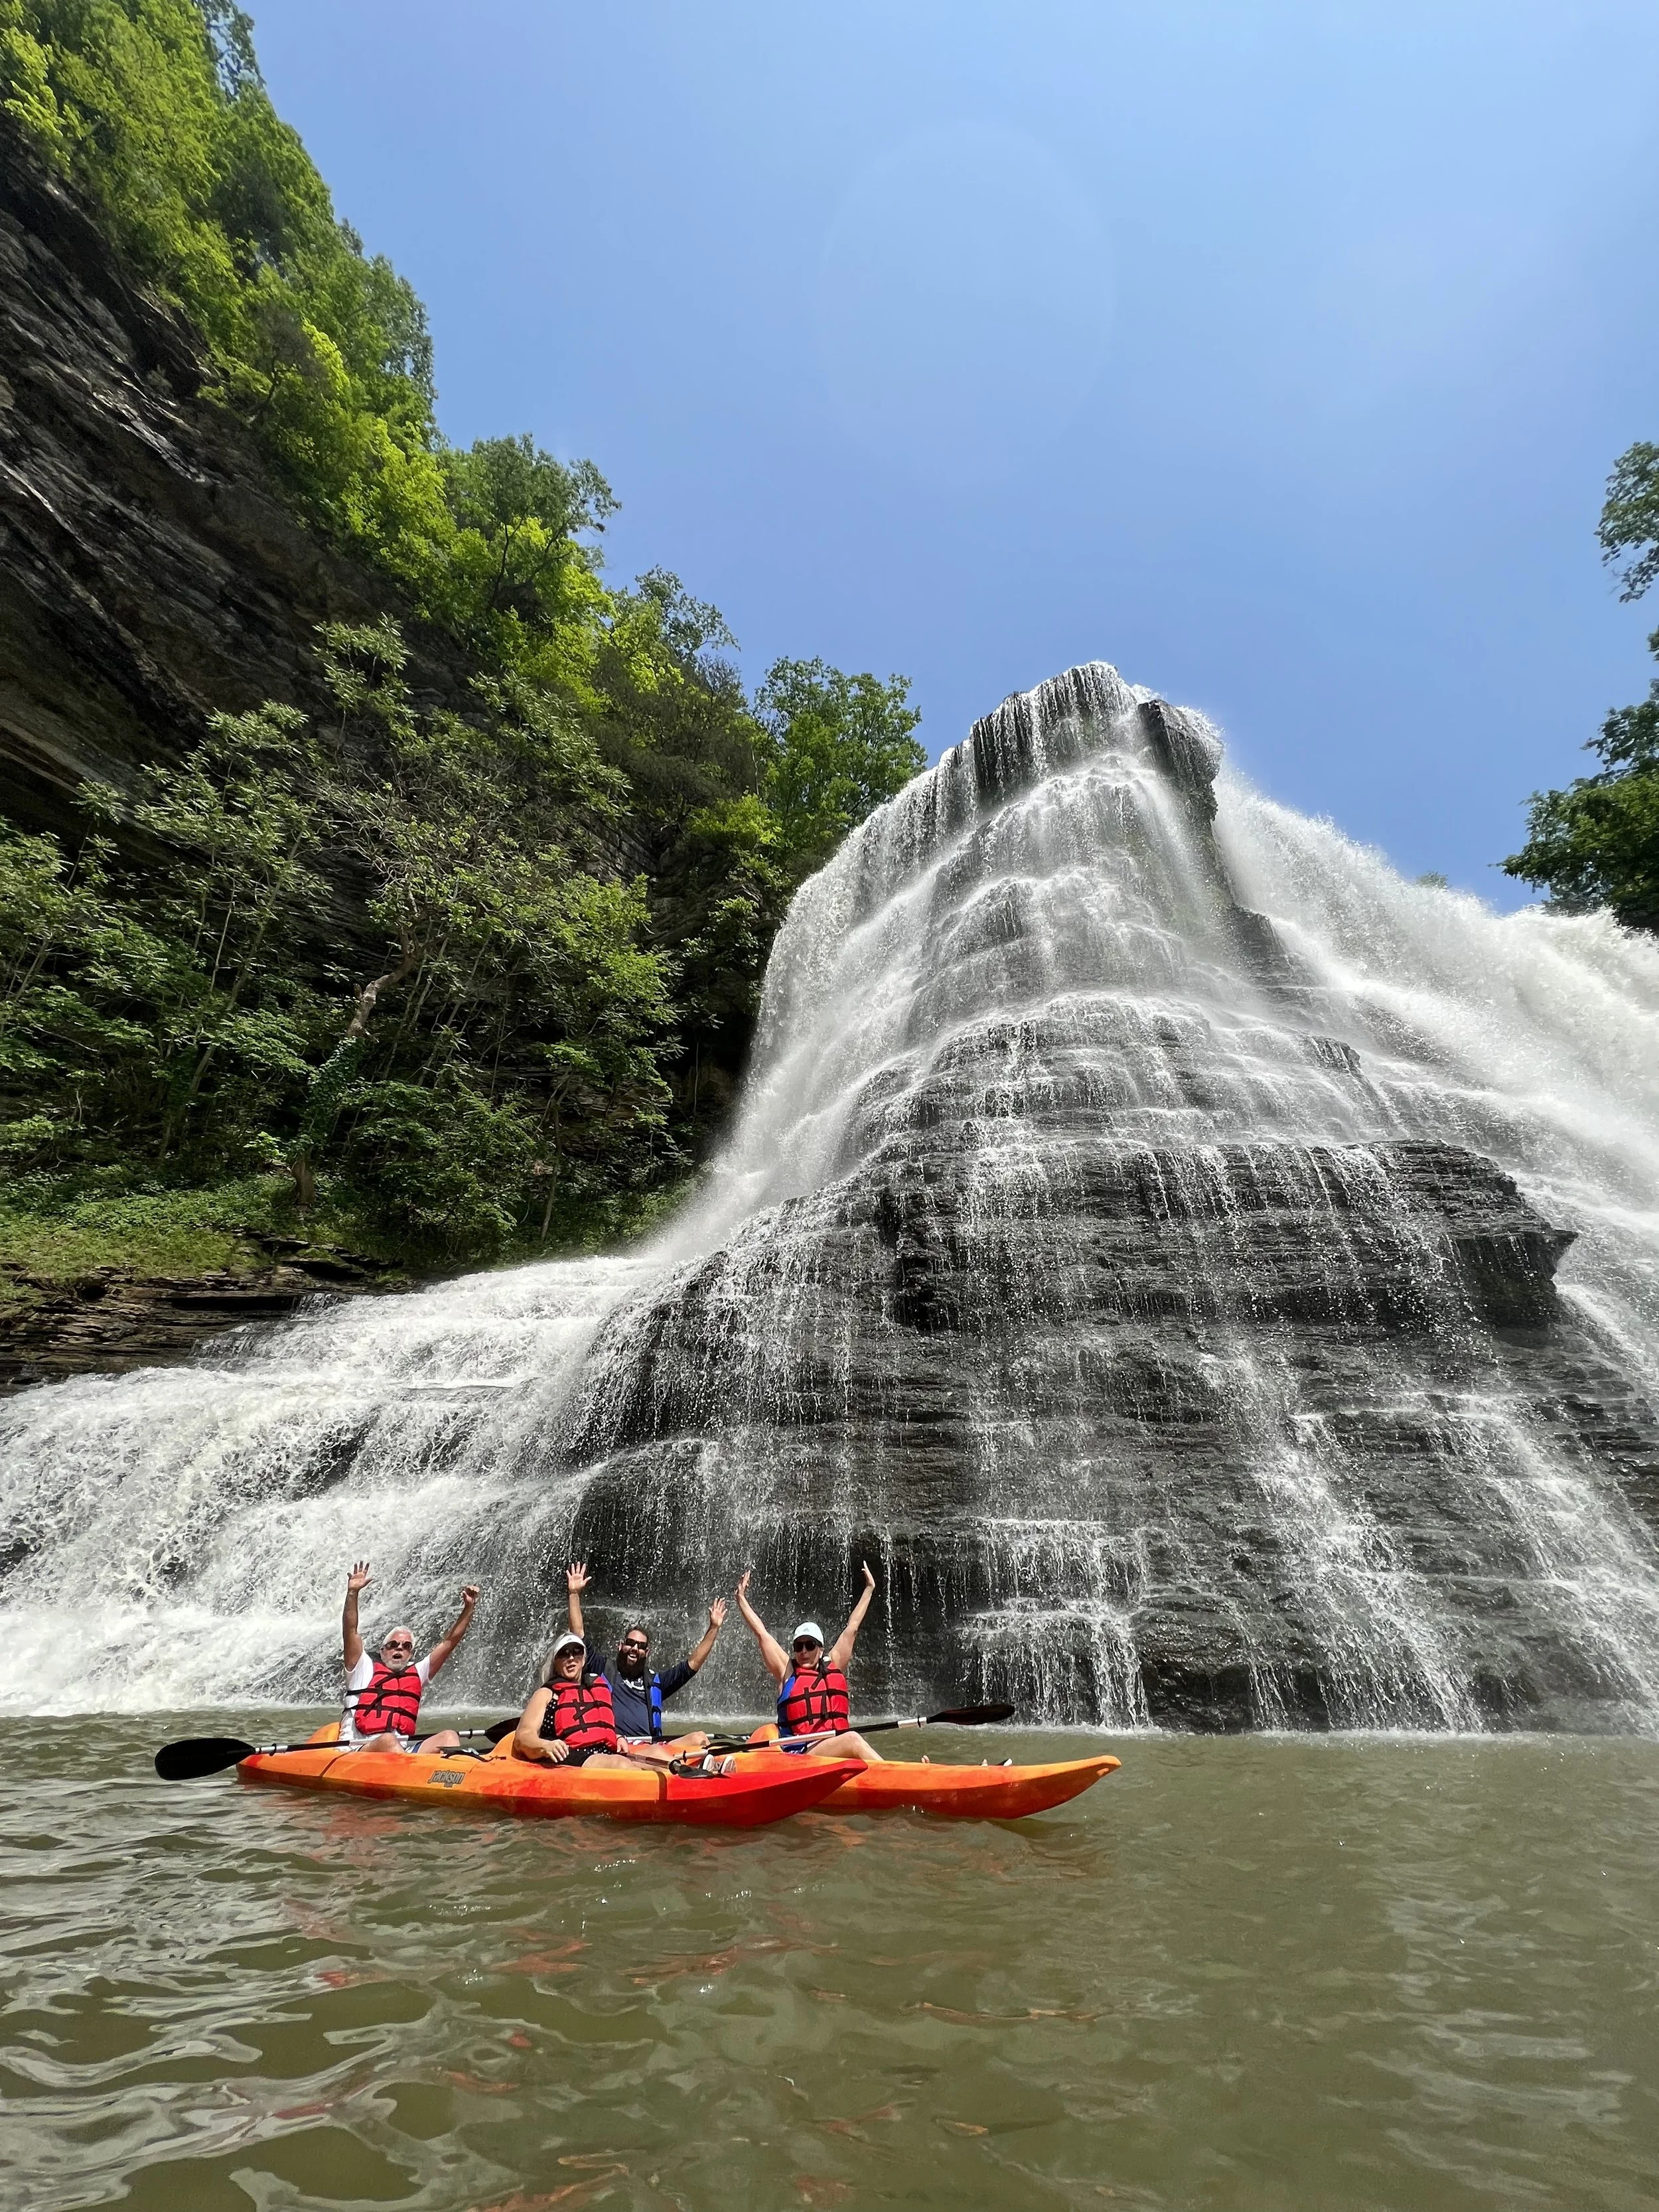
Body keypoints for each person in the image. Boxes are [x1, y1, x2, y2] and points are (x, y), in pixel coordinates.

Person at [512, 1633, 735, 1774]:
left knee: (657, 1752)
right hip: (571, 1755)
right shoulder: (547, 1692)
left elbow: (600, 1724)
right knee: (622, 1766)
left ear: (583, 1659)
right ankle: (690, 1780)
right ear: (556, 1660)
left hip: (605, 1750)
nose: (571, 1658)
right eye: (564, 1654)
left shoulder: (596, 1686)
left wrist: (616, 1737)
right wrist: (546, 1745)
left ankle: (701, 1773)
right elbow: (523, 1736)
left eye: (577, 1652)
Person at [563, 1560, 727, 1751]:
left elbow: (692, 1665)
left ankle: (713, 1774)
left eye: (640, 1646)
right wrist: (574, 1594)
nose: (634, 1649)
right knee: (658, 1752)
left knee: (700, 1738)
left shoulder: (655, 1682)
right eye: (630, 1643)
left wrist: (714, 1628)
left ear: (647, 1652)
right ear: (620, 1646)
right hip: (618, 1747)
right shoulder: (602, 1669)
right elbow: (579, 1635)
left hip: (651, 1745)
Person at [733, 1561, 885, 1762]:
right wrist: (741, 1599)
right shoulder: (787, 1671)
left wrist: (869, 1589)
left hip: (835, 1752)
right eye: (799, 1646)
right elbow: (762, 1634)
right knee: (854, 1741)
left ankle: (911, 1775)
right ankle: (904, 1779)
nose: (803, 1651)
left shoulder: (833, 1663)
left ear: (820, 1649)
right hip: (801, 1756)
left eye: (810, 1645)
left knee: (851, 1743)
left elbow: (852, 1628)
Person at [338, 1559, 478, 1753]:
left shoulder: (417, 1673)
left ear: (411, 1653)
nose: (399, 1649)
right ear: (382, 1650)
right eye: (393, 1645)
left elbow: (449, 1643)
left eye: (406, 1646)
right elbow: (350, 1631)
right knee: (388, 1741)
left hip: (403, 1752)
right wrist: (353, 1593)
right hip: (359, 1750)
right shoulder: (362, 1667)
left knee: (449, 1737)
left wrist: (469, 1609)